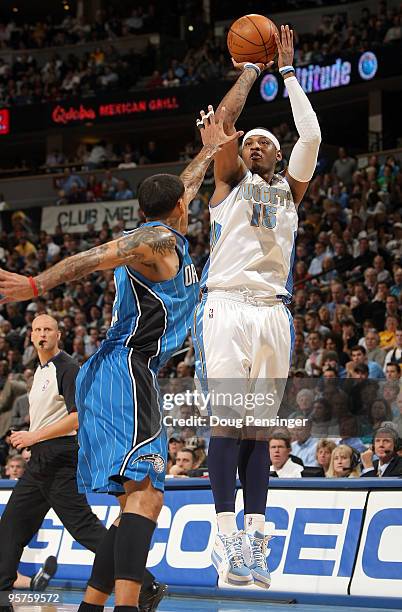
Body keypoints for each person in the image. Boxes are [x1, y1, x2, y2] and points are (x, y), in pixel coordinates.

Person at [0, 111, 238, 612]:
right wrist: (34, 285)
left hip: (127, 373)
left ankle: (93, 607)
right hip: (123, 369)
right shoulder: (149, 242)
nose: (190, 198)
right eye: (185, 198)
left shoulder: (170, 225)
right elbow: (90, 258)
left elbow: (195, 170)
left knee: (133, 504)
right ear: (179, 208)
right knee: (147, 497)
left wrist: (251, 75)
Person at [192, 25, 321, 589]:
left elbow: (311, 134)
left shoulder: (290, 192)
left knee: (258, 429)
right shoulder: (228, 184)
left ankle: (255, 541)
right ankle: (224, 534)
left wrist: (289, 73)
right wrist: (252, 72)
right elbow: (222, 129)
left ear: (277, 153)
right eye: (248, 144)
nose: (253, 147)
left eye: (263, 143)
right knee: (227, 420)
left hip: (273, 310)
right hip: (225, 304)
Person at [0, 315, 106, 606]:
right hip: (42, 459)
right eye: (37, 330)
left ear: (58, 335)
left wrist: (35, 438)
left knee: (84, 528)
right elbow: (52, 418)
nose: (42, 334)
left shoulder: (68, 368)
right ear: (31, 336)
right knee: (10, 528)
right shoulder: (40, 371)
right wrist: (33, 441)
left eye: (48, 329)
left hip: (60, 457)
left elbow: (77, 418)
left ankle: (144, 581)